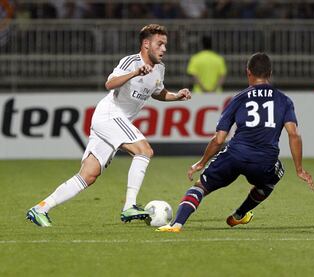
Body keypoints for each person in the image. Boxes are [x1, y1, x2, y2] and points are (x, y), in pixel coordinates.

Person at [26, 24, 192, 227]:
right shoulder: (131, 62)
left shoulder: (160, 69)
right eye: (160, 44)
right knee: (144, 151)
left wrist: (176, 96)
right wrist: (134, 73)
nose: (164, 49)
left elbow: (157, 91)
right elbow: (110, 83)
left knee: (88, 175)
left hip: (114, 121)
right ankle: (129, 206)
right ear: (146, 44)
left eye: (165, 44)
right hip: (110, 115)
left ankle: (40, 208)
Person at [157, 52, 314, 233]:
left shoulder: (239, 98)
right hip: (264, 160)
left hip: (235, 155)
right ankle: (239, 215)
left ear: (248, 72)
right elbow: (293, 134)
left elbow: (219, 139)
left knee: (200, 187)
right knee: (273, 178)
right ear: (270, 73)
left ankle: (176, 224)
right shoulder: (284, 100)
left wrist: (201, 163)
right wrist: (299, 169)